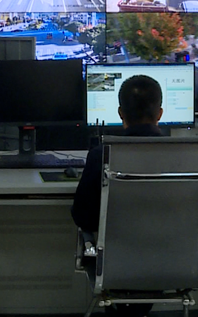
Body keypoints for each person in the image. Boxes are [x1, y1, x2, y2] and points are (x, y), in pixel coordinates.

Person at [71, 75, 166, 317]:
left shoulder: (101, 155)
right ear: (160, 113)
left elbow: (82, 216)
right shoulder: (191, 155)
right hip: (175, 263)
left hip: (116, 264)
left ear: (120, 113)